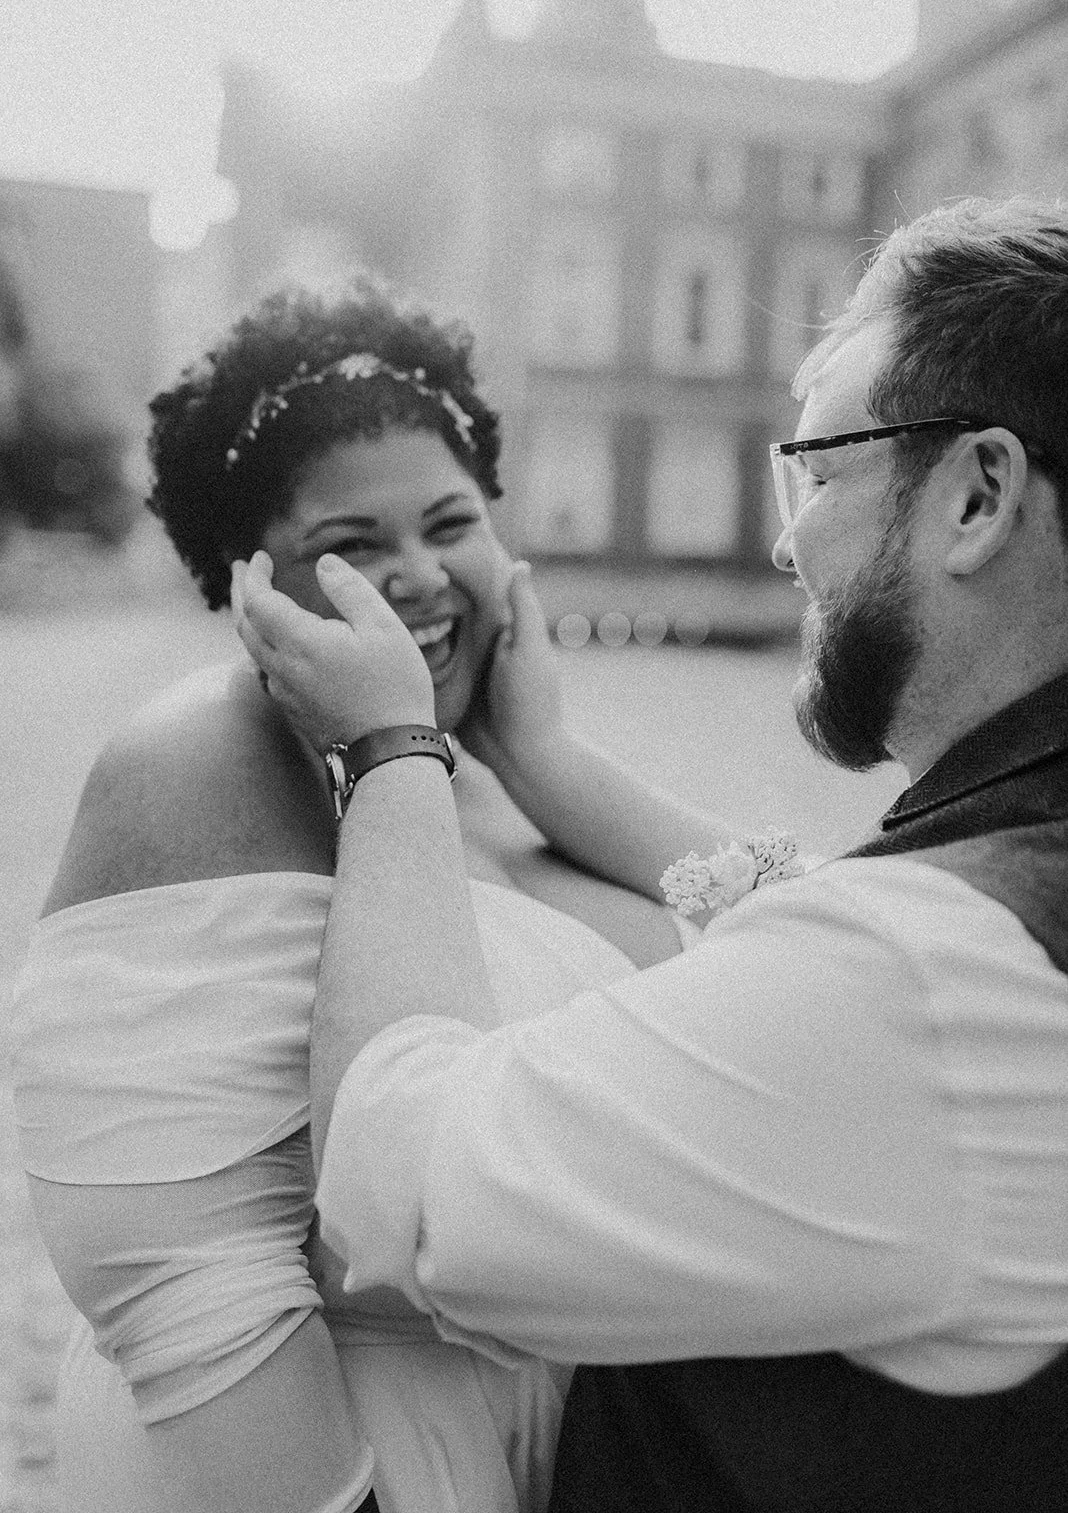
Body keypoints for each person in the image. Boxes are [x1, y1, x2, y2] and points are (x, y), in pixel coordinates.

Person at [233, 196, 1068, 1513]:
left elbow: (403, 1190)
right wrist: (552, 767)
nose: (787, 539)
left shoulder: (939, 983)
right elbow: (813, 934)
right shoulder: (1005, 899)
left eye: (819, 465)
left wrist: (388, 756)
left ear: (977, 496)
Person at [11, 278, 728, 1513]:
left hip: (573, 1441)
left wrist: (554, 765)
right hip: (353, 1454)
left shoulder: (503, 774)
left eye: (451, 524)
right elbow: (174, 1279)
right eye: (353, 546)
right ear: (246, 580)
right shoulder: (199, 760)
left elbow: (818, 945)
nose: (421, 578)